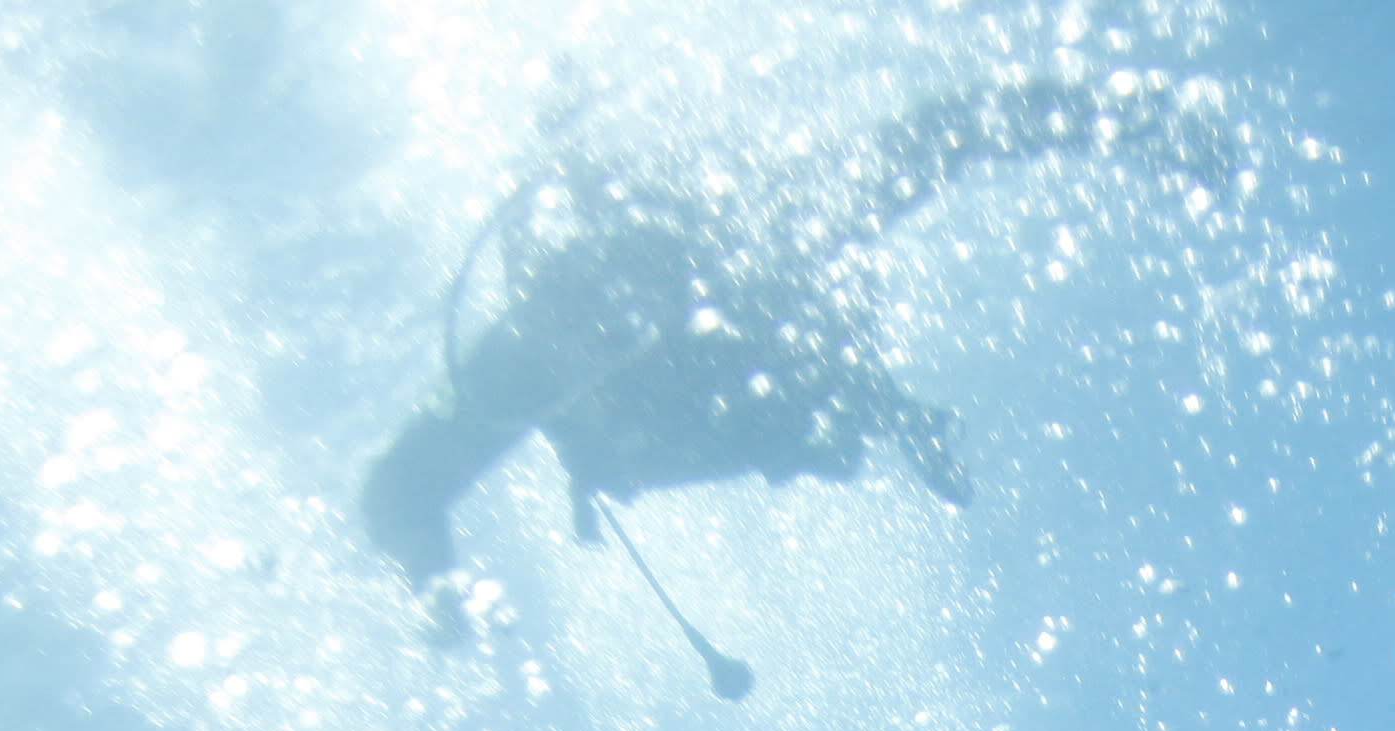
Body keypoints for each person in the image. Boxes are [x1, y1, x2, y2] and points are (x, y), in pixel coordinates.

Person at [356, 74, 1251, 605]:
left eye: (641, 282)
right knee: (805, 398)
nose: (622, 317)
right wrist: (437, 586)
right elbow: (398, 485)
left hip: (778, 387)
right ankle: (869, 411)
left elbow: (950, 131)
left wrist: (1140, 125)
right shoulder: (531, 349)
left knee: (813, 361)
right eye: (594, 298)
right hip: (730, 419)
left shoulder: (756, 234)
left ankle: (872, 408)